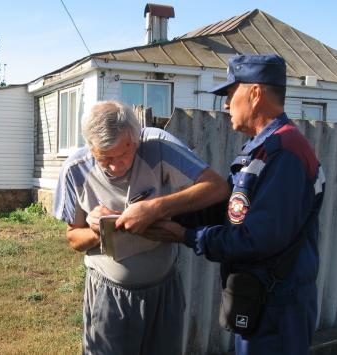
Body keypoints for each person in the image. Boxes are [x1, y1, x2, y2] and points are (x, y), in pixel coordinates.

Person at [144, 54, 326, 355]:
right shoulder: (262, 150)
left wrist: (184, 235)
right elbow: (229, 210)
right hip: (260, 300)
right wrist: (161, 210)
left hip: (277, 309)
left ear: (254, 94)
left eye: (230, 94)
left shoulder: (285, 153)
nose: (226, 104)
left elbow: (256, 239)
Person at [53, 100, 230, 355]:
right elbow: (72, 238)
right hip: (109, 296)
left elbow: (217, 187)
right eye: (104, 158)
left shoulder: (157, 146)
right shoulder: (75, 170)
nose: (115, 166)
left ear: (135, 140)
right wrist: (95, 230)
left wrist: (155, 208)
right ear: (90, 148)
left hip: (163, 290)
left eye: (124, 154)